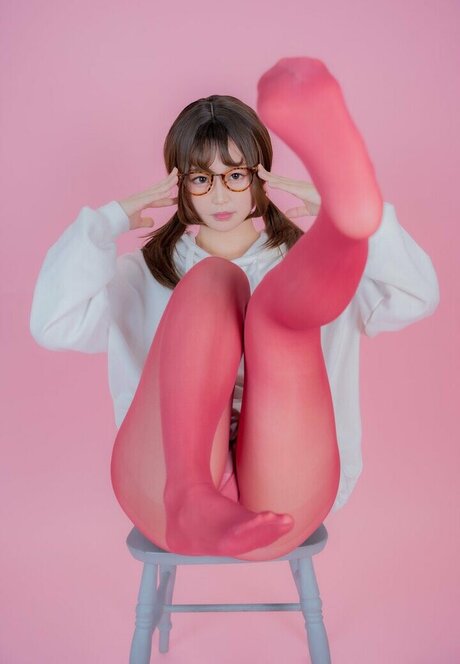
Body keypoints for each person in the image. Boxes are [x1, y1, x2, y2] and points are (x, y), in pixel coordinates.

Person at [29, 57, 439, 562]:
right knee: (213, 282)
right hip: (162, 490)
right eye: (201, 179)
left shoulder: (305, 267)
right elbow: (52, 324)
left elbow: (416, 295)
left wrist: (359, 227)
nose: (220, 194)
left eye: (236, 175)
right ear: (178, 185)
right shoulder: (142, 274)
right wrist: (107, 222)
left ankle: (349, 221)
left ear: (261, 176)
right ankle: (190, 492)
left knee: (277, 319)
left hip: (287, 486)